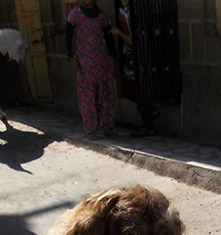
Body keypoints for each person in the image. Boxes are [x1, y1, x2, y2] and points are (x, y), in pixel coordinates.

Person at [65, 0, 122, 140]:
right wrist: (70, 56)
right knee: (87, 98)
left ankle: (108, 127)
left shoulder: (102, 16)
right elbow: (68, 36)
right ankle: (90, 130)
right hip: (85, 63)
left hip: (102, 62)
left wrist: (113, 57)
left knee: (106, 96)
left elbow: (108, 38)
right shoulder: (75, 15)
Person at [115, 0, 157, 136]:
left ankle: (148, 120)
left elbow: (133, 41)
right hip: (131, 56)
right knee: (132, 88)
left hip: (138, 57)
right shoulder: (125, 10)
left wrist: (119, 33)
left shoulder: (135, 13)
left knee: (135, 88)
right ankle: (148, 119)